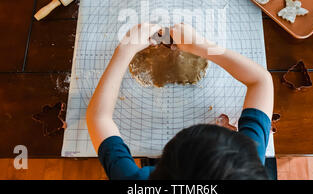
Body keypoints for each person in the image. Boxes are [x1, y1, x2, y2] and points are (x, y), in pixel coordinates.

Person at [86, 23, 274, 180]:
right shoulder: (244, 166)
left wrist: (125, 50)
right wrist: (202, 45)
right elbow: (261, 81)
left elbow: (98, 118)